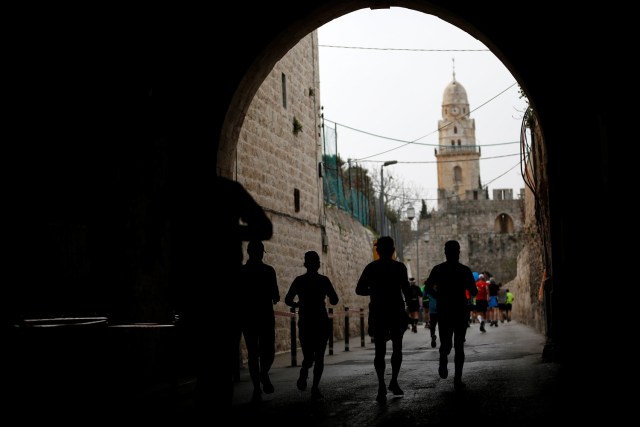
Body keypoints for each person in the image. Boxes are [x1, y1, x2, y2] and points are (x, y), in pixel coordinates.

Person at [178, 175, 273, 416]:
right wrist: (229, 232)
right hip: (224, 288)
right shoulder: (229, 190)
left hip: (194, 287)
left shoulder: (180, 190)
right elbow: (264, 227)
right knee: (219, 365)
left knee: (205, 365)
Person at [356, 236, 411, 404]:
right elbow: (406, 290)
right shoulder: (400, 268)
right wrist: (411, 307)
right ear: (393, 251)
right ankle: (393, 381)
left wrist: (374, 290)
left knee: (379, 351)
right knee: (397, 348)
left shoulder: (371, 268)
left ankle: (381, 385)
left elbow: (359, 289)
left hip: (378, 312)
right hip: (396, 311)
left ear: (378, 250)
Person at [284, 250, 339, 399]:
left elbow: (288, 299)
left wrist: (297, 304)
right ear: (319, 265)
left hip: (306, 321)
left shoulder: (299, 280)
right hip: (321, 321)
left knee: (308, 355)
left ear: (305, 264)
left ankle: (304, 369)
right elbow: (335, 299)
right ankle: (315, 387)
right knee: (319, 356)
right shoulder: (324, 280)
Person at [424, 240, 478, 390]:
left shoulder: (438, 269)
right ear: (458, 252)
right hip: (460, 310)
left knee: (446, 342)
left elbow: (428, 287)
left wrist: (438, 295)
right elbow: (474, 291)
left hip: (444, 310)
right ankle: (458, 379)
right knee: (459, 345)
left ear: (445, 253)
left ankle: (443, 357)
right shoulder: (465, 270)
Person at [239, 240, 280, 403]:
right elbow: (276, 296)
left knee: (252, 353)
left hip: (248, 317)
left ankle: (257, 388)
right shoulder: (269, 271)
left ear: (248, 252)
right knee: (268, 351)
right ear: (262, 252)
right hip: (265, 317)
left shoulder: (241, 272)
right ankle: (264, 373)